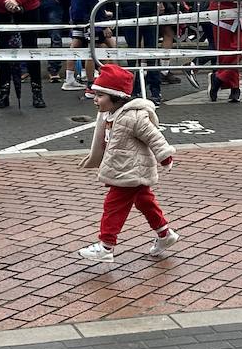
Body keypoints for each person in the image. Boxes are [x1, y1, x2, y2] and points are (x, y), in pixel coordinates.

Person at [76, 62, 178, 263]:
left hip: (130, 171)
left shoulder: (133, 117)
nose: (95, 100)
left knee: (113, 206)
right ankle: (165, 235)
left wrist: (165, 156)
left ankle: (106, 246)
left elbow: (154, 136)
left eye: (100, 95)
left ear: (116, 96)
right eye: (95, 95)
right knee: (144, 202)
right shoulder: (109, 115)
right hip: (126, 169)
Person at [67, 0, 115, 93]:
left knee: (110, 48)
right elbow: (93, 3)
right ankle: (91, 84)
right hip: (92, 21)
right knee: (95, 51)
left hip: (91, 19)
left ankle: (111, 78)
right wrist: (103, 23)